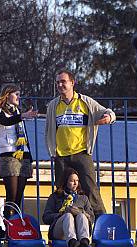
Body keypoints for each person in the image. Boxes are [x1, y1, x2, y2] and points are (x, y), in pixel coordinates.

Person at [45, 69, 115, 218]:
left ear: (72, 83)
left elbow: (107, 111)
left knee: (91, 190)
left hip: (82, 153)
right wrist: (53, 151)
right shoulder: (53, 105)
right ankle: (62, 222)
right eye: (57, 82)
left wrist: (108, 117)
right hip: (61, 156)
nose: (60, 85)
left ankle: (102, 223)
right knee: (61, 191)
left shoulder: (85, 102)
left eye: (63, 81)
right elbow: (49, 130)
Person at [0, 85, 38, 219]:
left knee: (19, 196)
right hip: (9, 156)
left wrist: (29, 157)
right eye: (16, 94)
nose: (19, 97)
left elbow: (23, 135)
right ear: (7, 95)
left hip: (23, 155)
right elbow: (5, 121)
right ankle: (8, 227)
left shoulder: (17, 112)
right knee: (11, 196)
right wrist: (22, 116)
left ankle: (16, 225)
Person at [43, 168, 95, 247]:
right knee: (68, 216)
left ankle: (84, 240)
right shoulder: (55, 196)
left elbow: (91, 218)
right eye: (72, 181)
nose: (75, 183)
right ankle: (72, 242)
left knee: (81, 215)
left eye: (77, 181)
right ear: (65, 181)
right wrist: (62, 214)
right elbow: (46, 218)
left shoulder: (83, 198)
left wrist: (81, 212)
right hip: (60, 231)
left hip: (78, 230)